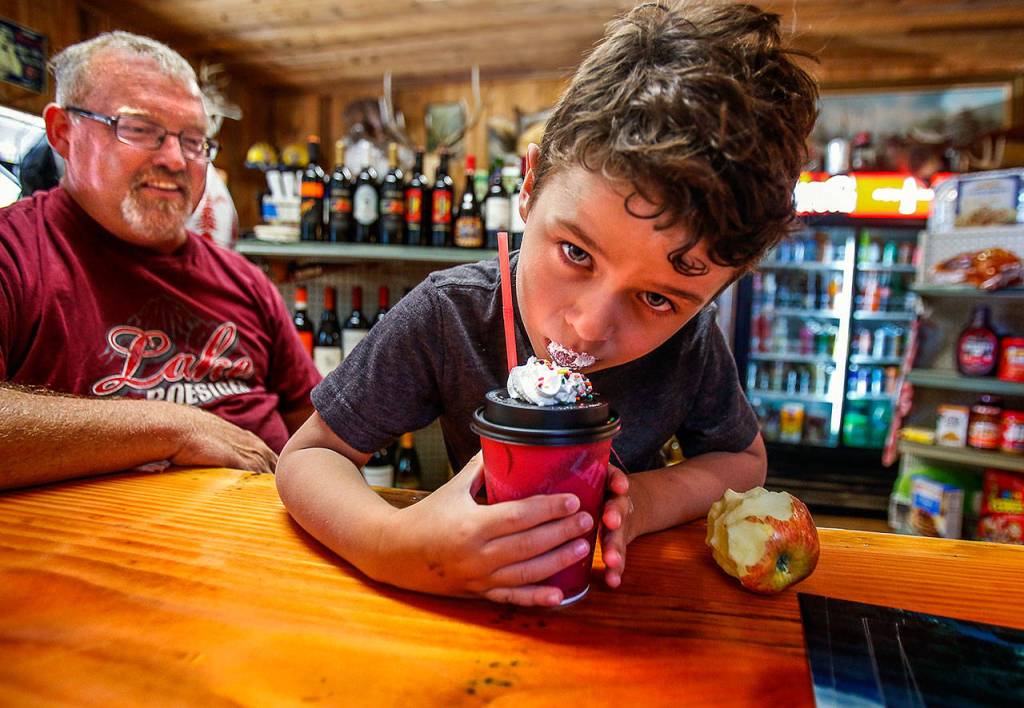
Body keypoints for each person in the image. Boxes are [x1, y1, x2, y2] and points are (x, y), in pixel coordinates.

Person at [276, 2, 818, 606]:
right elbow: (310, 456)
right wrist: (387, 544)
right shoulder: (448, 313)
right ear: (529, 187)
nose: (587, 327)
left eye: (659, 299)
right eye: (576, 253)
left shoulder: (693, 343)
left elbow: (742, 460)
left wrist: (641, 504)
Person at [0, 31, 321, 491]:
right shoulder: (13, 253)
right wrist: (173, 428)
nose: (175, 159)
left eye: (194, 140)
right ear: (63, 133)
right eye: (139, 129)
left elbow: (309, 424)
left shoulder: (244, 280)